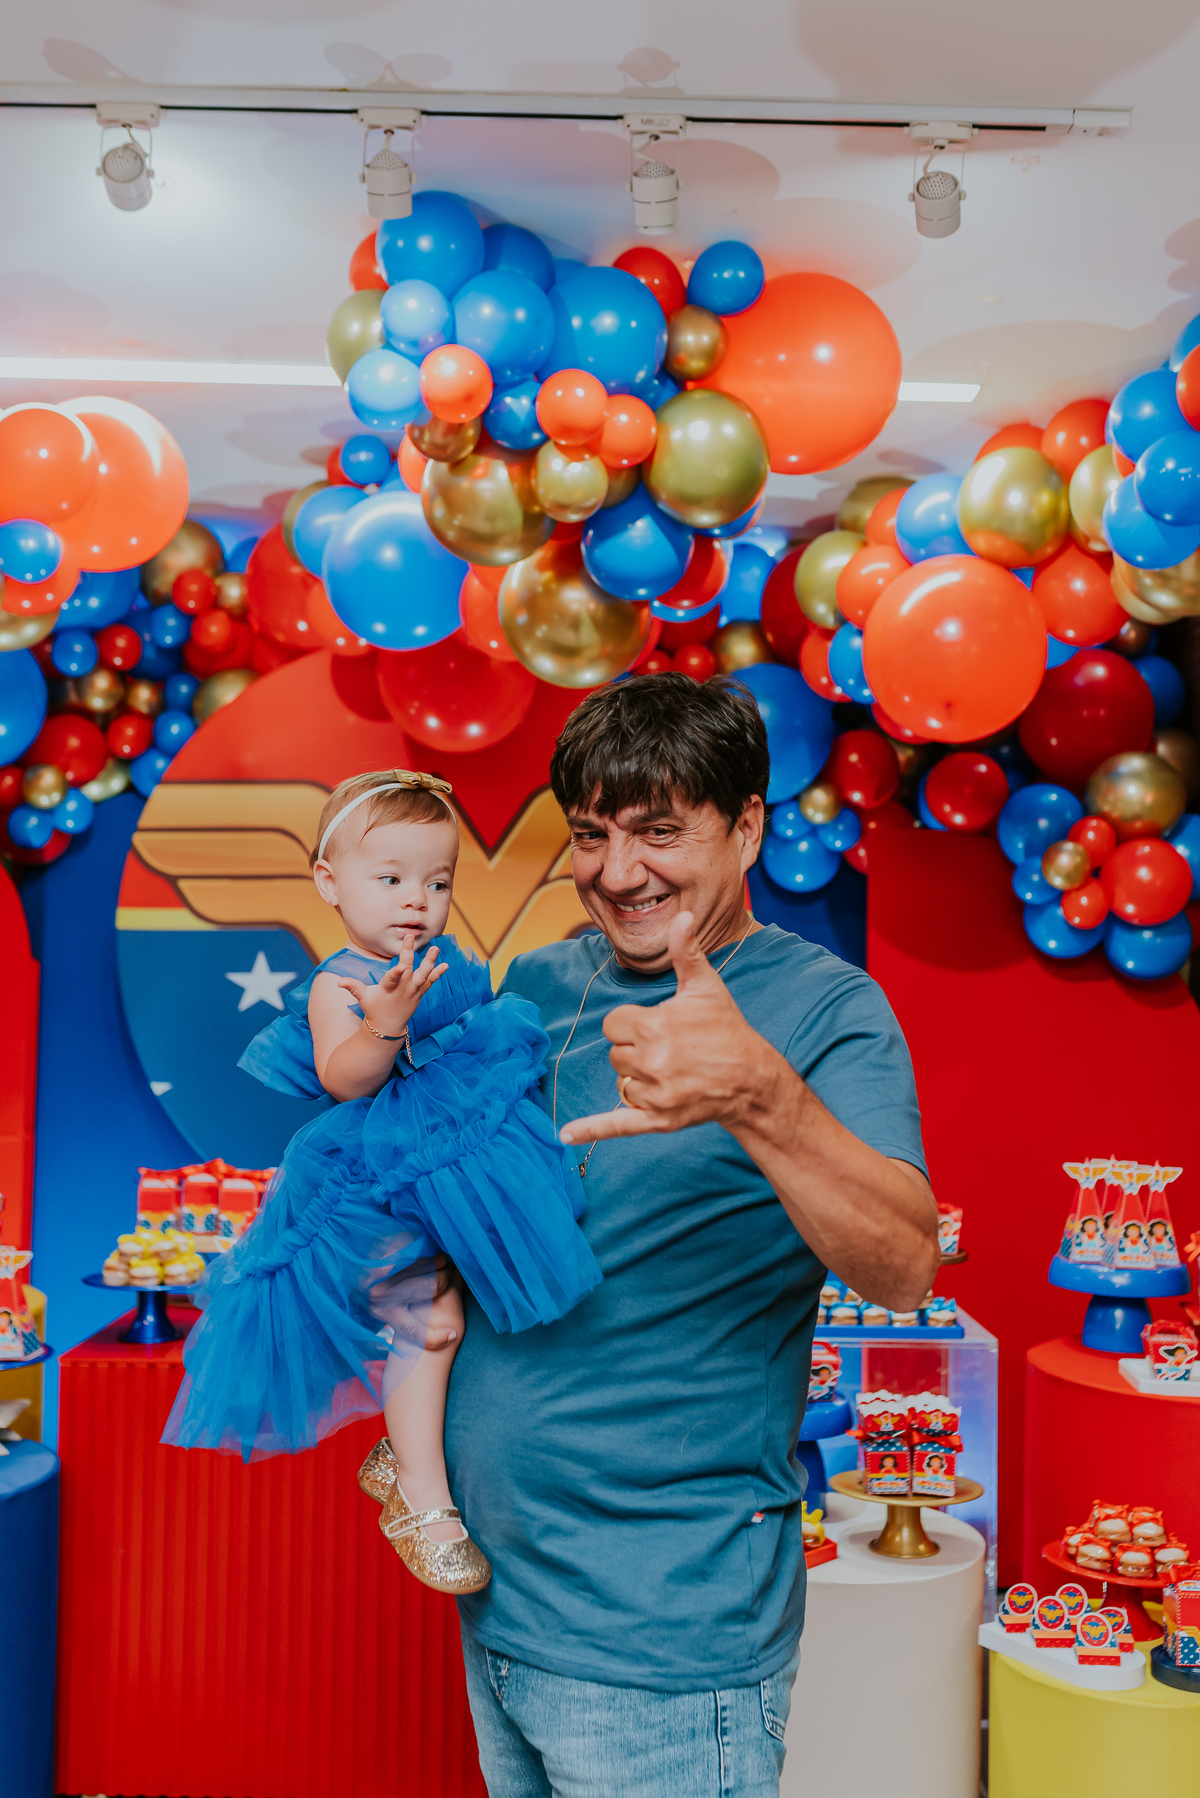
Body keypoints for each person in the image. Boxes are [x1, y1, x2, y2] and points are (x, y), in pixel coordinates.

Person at [444, 672, 937, 1798]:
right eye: (592, 835)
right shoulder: (542, 980)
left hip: (666, 1639)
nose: (618, 873)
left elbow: (905, 1265)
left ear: (748, 824)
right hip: (501, 1604)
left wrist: (757, 1095)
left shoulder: (826, 1010)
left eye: (660, 831)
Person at [161, 768, 602, 1596]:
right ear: (329, 882)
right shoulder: (340, 981)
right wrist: (384, 1023)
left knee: (459, 1313)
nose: (416, 901)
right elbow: (343, 1076)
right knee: (423, 1323)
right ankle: (422, 1495)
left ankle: (411, 1458)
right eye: (391, 878)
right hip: (372, 1174)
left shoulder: (434, 960)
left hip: (448, 1160)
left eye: (437, 882)